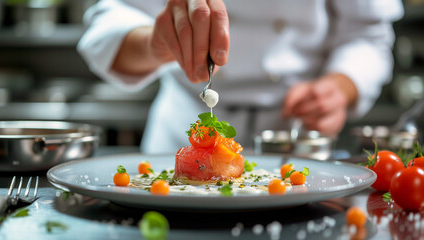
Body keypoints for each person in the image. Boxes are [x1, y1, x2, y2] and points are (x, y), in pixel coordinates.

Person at [78, 0, 404, 153]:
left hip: (292, 135)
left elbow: (368, 33)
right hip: (179, 132)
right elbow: (105, 28)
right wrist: (156, 43)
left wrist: (338, 87)